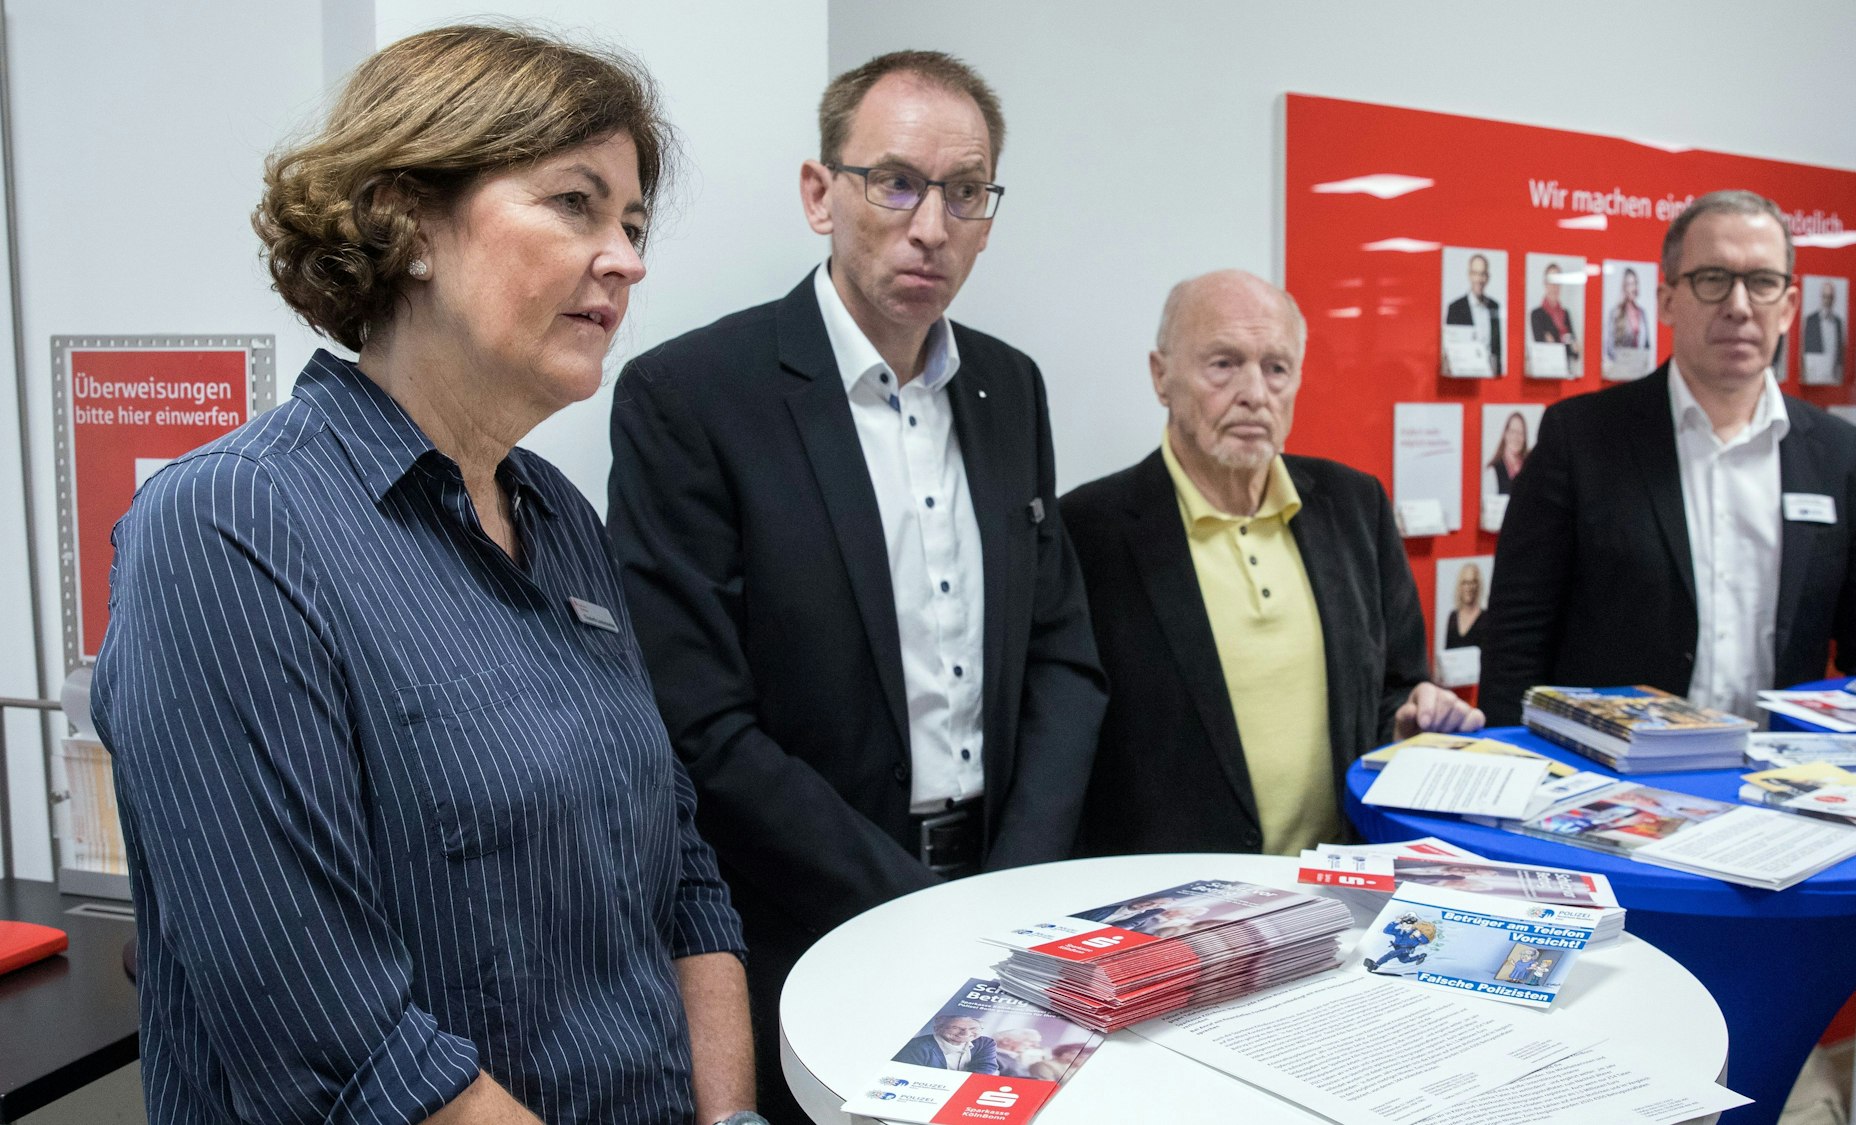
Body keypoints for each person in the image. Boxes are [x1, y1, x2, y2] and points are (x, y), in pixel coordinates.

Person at [90, 26, 760, 1125]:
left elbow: (683, 877)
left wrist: (727, 1118)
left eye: (633, 223)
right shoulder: (225, 529)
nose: (628, 258)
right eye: (575, 204)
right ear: (408, 224)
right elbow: (335, 1044)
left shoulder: (560, 516)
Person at [606, 50, 1105, 1124]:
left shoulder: (1008, 387)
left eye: (964, 193)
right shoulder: (692, 398)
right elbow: (693, 721)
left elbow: (1062, 657)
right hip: (799, 918)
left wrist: (1013, 890)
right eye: (894, 182)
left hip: (1001, 901)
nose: (930, 224)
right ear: (818, 193)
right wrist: (910, 909)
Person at [1062, 270, 1481, 858]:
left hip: (1339, 891)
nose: (1255, 393)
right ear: (1161, 377)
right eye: (1224, 364)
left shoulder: (1355, 505)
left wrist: (1406, 723)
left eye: (1276, 368)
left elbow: (1395, 686)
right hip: (1171, 908)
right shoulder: (1086, 532)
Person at [1482, 190, 1856, 726]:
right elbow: (1517, 636)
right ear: (1667, 302)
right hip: (1609, 782)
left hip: (1780, 785)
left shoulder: (1842, 457)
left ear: (1788, 306)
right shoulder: (1582, 438)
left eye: (1762, 281)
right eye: (1712, 279)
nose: (1738, 305)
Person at [1445, 253, 1503, 373]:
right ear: (1469, 275)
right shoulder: (1455, 308)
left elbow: (1497, 348)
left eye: (1482, 274)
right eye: (1475, 273)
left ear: (1487, 277)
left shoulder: (1495, 306)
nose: (1479, 279)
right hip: (1463, 375)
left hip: (1491, 376)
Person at [892, 1016, 999, 1073]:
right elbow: (909, 1074)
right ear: (937, 1029)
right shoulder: (916, 1046)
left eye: (973, 1028)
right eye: (955, 1028)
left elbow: (986, 1067)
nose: (966, 1033)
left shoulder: (985, 1043)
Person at [1529, 262, 1580, 369]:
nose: (1554, 286)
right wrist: (1565, 344)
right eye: (1551, 281)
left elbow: (1575, 351)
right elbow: (1541, 345)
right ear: (1545, 283)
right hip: (1546, 369)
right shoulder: (1537, 314)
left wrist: (1554, 340)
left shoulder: (1565, 314)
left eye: (1557, 281)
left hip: (1566, 369)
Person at [1803, 279, 1846, 380]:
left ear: (1834, 299)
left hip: (1833, 377)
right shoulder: (1811, 321)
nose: (1827, 301)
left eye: (1830, 297)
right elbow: (1806, 349)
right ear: (1821, 297)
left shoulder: (1838, 322)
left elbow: (1840, 352)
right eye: (1825, 297)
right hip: (1814, 376)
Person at [1484, 411, 1531, 496]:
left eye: (1521, 433)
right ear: (1505, 434)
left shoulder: (1530, 468)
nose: (1516, 437)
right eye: (1513, 431)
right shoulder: (1493, 471)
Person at [1606, 266, 1651, 354]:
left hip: (1640, 365)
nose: (1633, 288)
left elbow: (1647, 345)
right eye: (1630, 284)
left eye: (1635, 283)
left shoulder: (1642, 313)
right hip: (1621, 365)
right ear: (1624, 287)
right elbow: (1609, 347)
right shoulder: (1615, 313)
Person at [1444, 562, 1487, 649]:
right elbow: (1447, 652)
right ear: (1460, 586)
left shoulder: (1486, 618)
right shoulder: (1452, 617)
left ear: (1478, 586)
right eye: (1465, 583)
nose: (1469, 588)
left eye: (1473, 582)